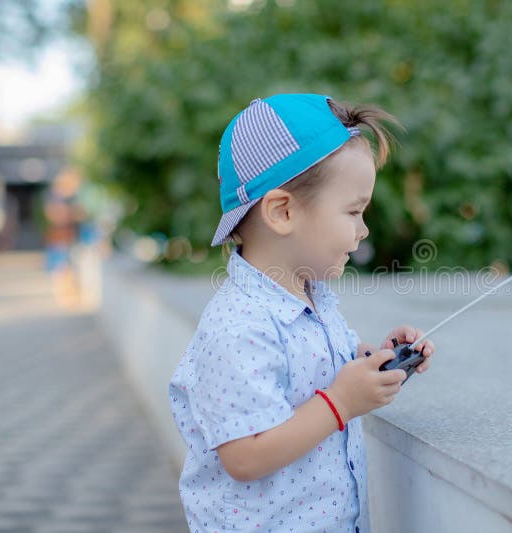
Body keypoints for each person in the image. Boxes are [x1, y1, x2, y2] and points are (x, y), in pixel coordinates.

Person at [169, 93, 436, 533]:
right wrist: (342, 403)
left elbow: (317, 371)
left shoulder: (313, 297)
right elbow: (245, 455)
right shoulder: (239, 325)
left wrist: (377, 360)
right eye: (353, 211)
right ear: (282, 211)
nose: (363, 229)